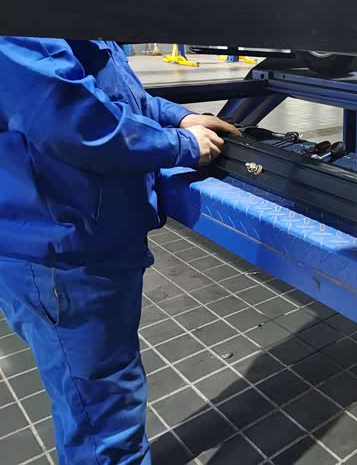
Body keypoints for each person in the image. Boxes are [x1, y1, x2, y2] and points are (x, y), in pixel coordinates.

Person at [0, 37, 240, 464]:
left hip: (84, 240)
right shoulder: (22, 20)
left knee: (99, 398)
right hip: (63, 253)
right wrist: (183, 145)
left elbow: (119, 97)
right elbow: (78, 122)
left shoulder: (71, 19)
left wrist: (181, 117)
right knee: (104, 421)